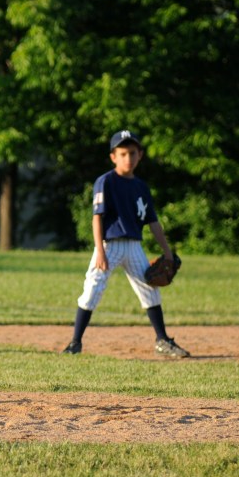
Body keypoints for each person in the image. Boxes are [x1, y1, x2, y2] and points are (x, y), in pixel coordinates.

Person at [62, 130, 189, 357]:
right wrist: (100, 250)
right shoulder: (106, 182)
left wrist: (167, 251)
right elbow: (97, 217)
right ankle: (75, 343)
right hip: (109, 245)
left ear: (140, 155)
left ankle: (162, 340)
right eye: (122, 153)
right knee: (93, 289)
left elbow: (153, 222)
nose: (128, 158)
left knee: (150, 290)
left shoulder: (141, 187)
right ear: (113, 157)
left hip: (134, 246)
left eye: (132, 153)